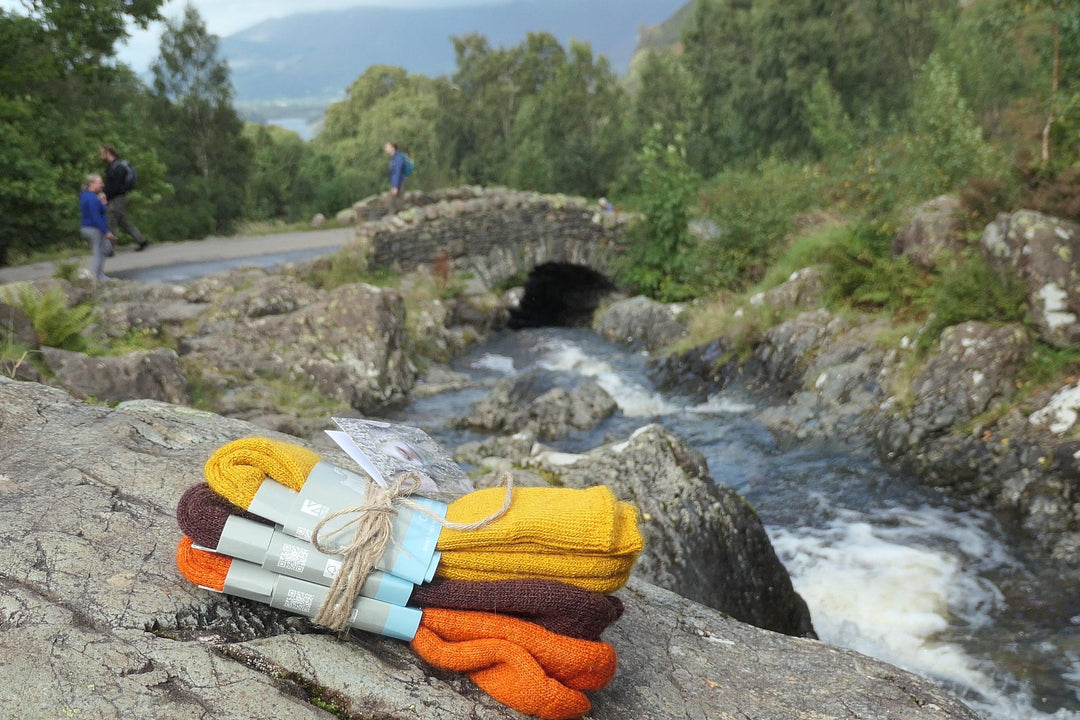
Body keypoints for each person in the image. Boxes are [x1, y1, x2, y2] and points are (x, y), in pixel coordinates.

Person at [100, 144, 148, 251]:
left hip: (118, 198)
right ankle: (142, 241)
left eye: (102, 152)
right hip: (115, 198)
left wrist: (106, 195)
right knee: (123, 222)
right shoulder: (111, 167)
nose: (100, 155)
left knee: (111, 220)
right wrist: (104, 194)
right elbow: (109, 185)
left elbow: (115, 187)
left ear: (108, 152)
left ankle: (109, 249)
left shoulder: (118, 168)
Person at [79, 173, 116, 282]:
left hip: (89, 227)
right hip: (93, 228)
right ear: (91, 184)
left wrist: (103, 203)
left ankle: (99, 274)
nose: (102, 185)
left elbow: (101, 211)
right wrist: (106, 232)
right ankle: (95, 276)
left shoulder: (86, 195)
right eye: (100, 183)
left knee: (106, 247)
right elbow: (96, 217)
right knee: (98, 251)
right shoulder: (91, 198)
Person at [385, 141, 407, 214]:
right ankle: (394, 218)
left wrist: (395, 187)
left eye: (387, 147)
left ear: (393, 148)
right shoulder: (392, 158)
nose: (386, 149)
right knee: (392, 200)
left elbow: (397, 172)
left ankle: (397, 219)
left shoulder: (398, 158)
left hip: (399, 182)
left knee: (395, 201)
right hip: (395, 182)